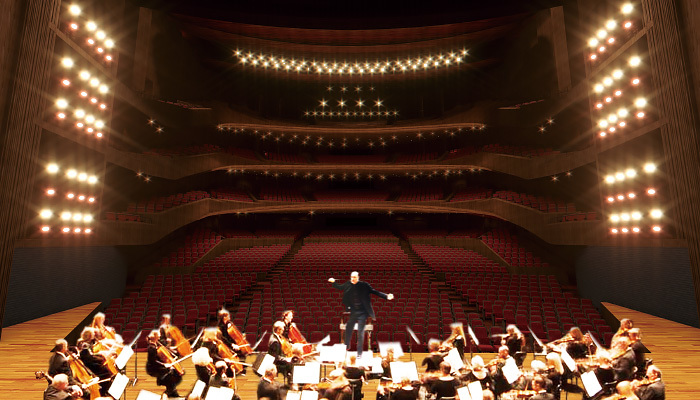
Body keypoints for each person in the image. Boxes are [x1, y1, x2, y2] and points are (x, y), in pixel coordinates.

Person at [329, 271, 394, 356]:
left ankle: (359, 353)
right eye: (351, 277)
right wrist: (333, 282)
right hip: (353, 311)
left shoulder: (364, 285)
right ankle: (347, 346)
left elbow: (375, 292)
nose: (353, 279)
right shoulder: (347, 284)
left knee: (360, 332)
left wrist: (386, 296)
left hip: (363, 312)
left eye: (354, 277)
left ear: (358, 277)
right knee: (348, 327)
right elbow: (339, 287)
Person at [145, 330, 182, 398]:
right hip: (153, 368)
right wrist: (164, 365)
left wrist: (170, 348)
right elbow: (153, 361)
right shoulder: (151, 348)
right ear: (155, 337)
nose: (159, 336)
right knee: (172, 373)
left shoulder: (158, 343)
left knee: (175, 372)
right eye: (158, 335)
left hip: (159, 364)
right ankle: (169, 390)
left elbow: (165, 348)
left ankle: (172, 390)